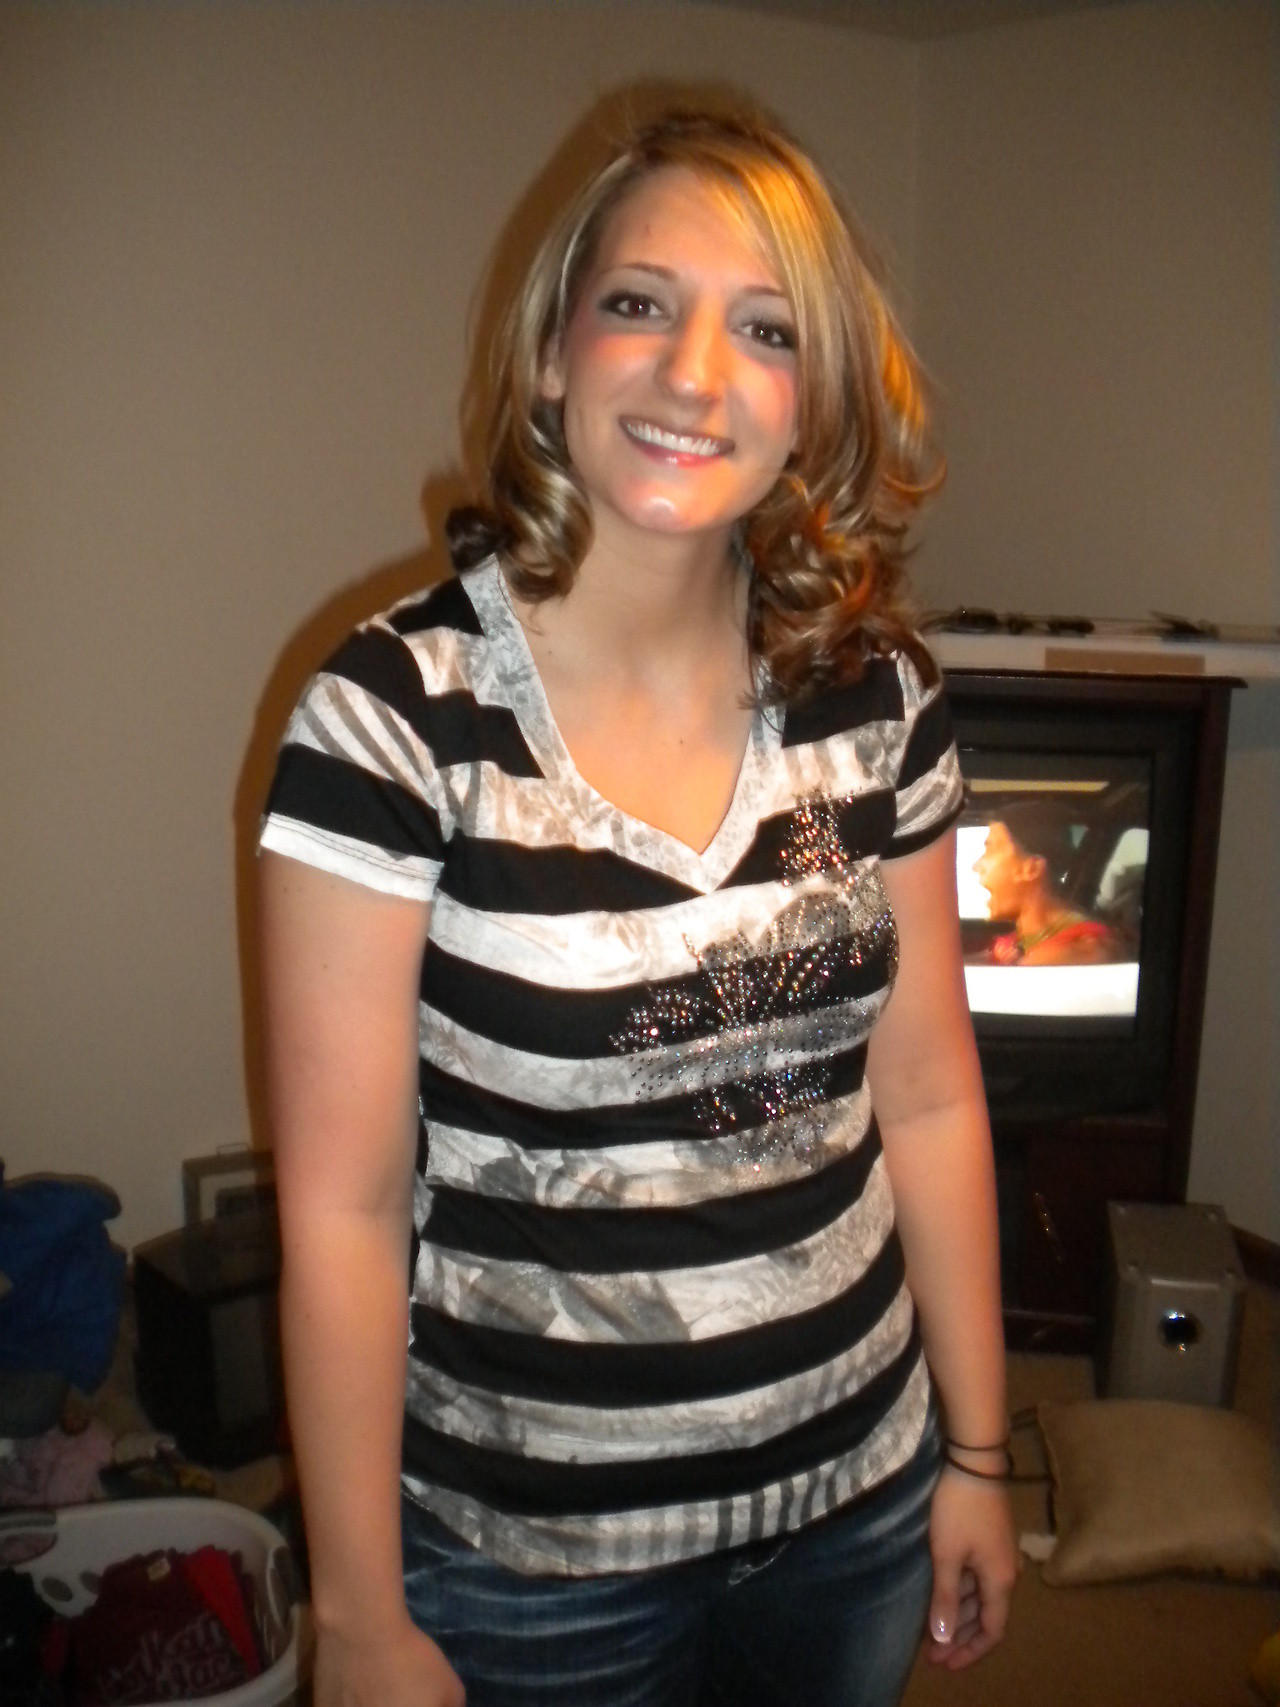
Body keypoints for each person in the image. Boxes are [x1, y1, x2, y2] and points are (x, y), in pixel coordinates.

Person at [258, 101, 1018, 1707]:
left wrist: (978, 1450)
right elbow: (340, 1210)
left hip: (860, 1501)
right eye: (638, 303)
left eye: (766, 330)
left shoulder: (881, 695)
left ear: (813, 400)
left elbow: (931, 1092)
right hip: (533, 1561)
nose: (694, 373)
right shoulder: (391, 722)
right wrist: (358, 1613)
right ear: (552, 352)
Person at [972, 800, 1127, 966]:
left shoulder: (1085, 950)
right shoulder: (1019, 943)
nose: (976, 866)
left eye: (990, 849)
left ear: (1031, 869)